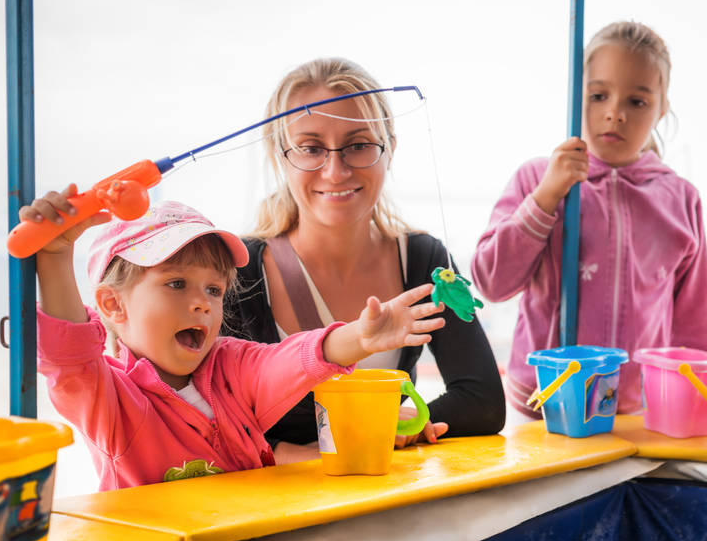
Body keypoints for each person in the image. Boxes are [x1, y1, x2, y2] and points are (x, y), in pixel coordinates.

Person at [23, 191, 444, 490]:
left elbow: (292, 360)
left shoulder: (230, 367)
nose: (202, 304)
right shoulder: (110, 401)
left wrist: (361, 336)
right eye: (176, 284)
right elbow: (70, 360)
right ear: (113, 305)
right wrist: (56, 257)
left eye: (213, 290)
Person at [223, 57, 504, 462]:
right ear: (280, 156)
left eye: (358, 145)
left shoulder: (424, 259)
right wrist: (362, 433)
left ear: (389, 148)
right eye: (310, 148)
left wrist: (402, 425)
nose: (335, 171)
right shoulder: (239, 269)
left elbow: (482, 402)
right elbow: (211, 423)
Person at [471, 21, 707, 418]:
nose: (615, 113)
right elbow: (490, 282)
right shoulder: (537, 178)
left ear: (661, 109)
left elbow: (696, 328)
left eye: (637, 102)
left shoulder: (681, 199)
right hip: (540, 406)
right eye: (599, 95)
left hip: (632, 410)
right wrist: (546, 197)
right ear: (576, 97)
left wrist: (700, 402)